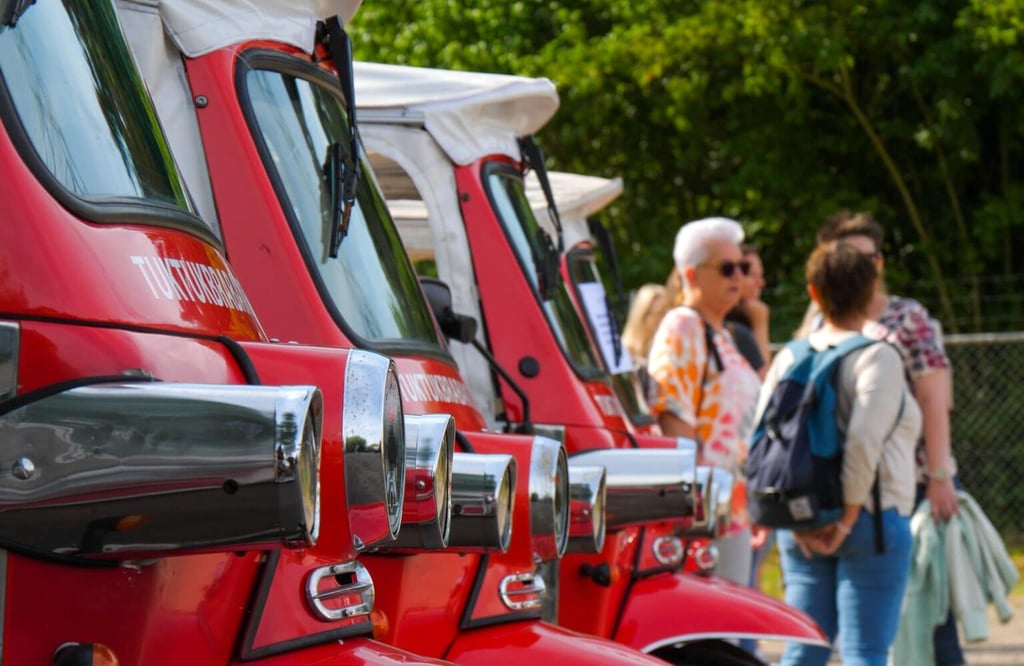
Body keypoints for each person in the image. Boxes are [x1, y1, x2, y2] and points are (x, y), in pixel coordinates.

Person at [762, 242, 921, 666]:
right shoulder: (878, 356)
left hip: (799, 518)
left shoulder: (790, 356)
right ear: (872, 291)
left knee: (803, 649)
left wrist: (797, 519)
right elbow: (864, 442)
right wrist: (847, 519)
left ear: (813, 293)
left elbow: (762, 435)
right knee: (865, 652)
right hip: (871, 517)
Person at [815, 210, 963, 665]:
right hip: (838, 486)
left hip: (909, 481)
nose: (864, 268)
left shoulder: (906, 316)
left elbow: (935, 399)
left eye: (871, 257)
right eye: (851, 258)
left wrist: (940, 476)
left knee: (930, 611)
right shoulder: (819, 322)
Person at [646, 217, 761, 586]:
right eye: (726, 267)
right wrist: (697, 513)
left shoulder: (721, 334)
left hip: (732, 508)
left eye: (742, 267)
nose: (738, 277)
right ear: (691, 275)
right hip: (704, 513)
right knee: (714, 632)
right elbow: (673, 418)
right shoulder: (683, 326)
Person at [725, 244, 771, 379]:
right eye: (752, 275)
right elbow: (764, 383)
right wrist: (760, 325)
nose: (761, 283)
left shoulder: (747, 319)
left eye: (760, 276)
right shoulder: (729, 329)